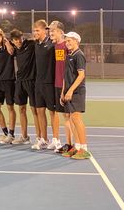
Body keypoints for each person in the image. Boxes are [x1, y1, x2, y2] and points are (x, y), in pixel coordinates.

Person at [60, 32, 91, 160]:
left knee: (76, 118)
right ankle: (77, 147)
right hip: (68, 92)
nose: (67, 43)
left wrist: (71, 90)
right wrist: (63, 92)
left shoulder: (79, 55)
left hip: (77, 92)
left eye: (70, 41)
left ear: (76, 41)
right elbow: (65, 76)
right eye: (66, 41)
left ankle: (84, 149)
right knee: (72, 119)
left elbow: (81, 75)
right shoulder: (69, 55)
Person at [31, 20, 56, 150]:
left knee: (52, 113)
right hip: (38, 83)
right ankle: (44, 139)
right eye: (34, 30)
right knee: (40, 111)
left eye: (37, 30)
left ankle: (55, 140)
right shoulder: (35, 44)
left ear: (44, 31)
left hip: (50, 84)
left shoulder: (52, 44)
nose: (35, 33)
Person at [0, 27, 16, 144]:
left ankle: (11, 134)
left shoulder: (8, 46)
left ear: (2, 37)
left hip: (9, 81)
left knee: (10, 107)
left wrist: (7, 42)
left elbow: (12, 51)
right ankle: (5, 133)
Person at [9, 29, 36, 145]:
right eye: (16, 40)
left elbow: (37, 39)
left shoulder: (30, 44)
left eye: (20, 38)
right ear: (12, 41)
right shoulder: (14, 49)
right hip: (20, 82)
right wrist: (6, 42)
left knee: (35, 110)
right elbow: (7, 45)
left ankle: (40, 138)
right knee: (21, 109)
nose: (18, 41)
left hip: (32, 81)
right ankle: (25, 136)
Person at [49, 21, 72, 152]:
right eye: (50, 30)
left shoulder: (66, 46)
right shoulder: (55, 46)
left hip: (66, 85)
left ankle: (72, 145)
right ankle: (67, 144)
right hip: (57, 85)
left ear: (61, 32)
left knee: (68, 116)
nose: (51, 32)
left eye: (54, 30)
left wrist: (66, 87)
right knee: (63, 115)